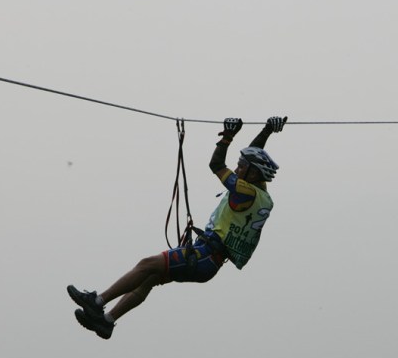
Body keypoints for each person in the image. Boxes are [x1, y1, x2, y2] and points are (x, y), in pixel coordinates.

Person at [68, 115, 286, 339]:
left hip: (205, 255)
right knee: (149, 277)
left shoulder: (244, 191)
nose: (237, 169)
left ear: (253, 173)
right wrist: (267, 129)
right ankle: (106, 322)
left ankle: (97, 301)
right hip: (209, 259)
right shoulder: (260, 193)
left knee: (146, 264)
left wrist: (228, 137)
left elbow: (216, 165)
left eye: (241, 167)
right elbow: (253, 155)